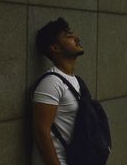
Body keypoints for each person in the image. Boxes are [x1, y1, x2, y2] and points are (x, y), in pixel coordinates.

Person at [32, 17, 84, 165]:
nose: (76, 38)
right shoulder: (51, 82)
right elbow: (41, 132)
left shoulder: (74, 80)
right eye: (69, 36)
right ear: (55, 48)